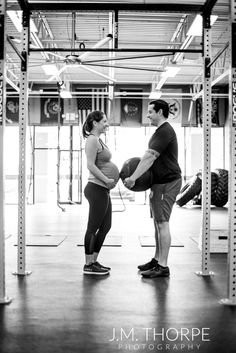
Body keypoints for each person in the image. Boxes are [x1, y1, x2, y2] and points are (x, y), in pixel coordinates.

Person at [124, 99, 182, 278]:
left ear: (160, 112)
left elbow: (149, 157)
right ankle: (157, 260)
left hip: (167, 182)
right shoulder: (160, 131)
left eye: (150, 111)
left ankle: (163, 266)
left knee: (163, 223)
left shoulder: (165, 131)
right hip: (159, 183)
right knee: (158, 223)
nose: (148, 115)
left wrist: (133, 178)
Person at [82, 110, 119, 275]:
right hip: (96, 188)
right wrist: (106, 179)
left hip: (102, 188)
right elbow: (90, 165)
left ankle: (94, 261)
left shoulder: (98, 140)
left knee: (106, 226)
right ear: (95, 123)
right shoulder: (91, 140)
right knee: (93, 227)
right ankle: (88, 264)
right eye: (104, 121)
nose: (107, 124)